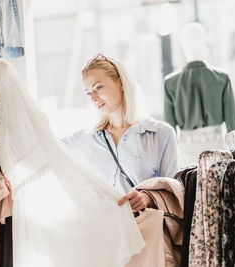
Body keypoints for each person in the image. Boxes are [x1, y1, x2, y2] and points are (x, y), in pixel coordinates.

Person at [62, 54, 179, 212]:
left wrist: (148, 198)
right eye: (89, 93)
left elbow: (175, 192)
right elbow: (43, 146)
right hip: (103, 231)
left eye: (98, 87)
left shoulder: (160, 133)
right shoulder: (84, 139)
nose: (94, 98)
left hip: (143, 231)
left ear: (120, 83)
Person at [164, 23, 235, 167]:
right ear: (204, 43)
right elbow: (233, 123)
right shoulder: (221, 77)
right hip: (216, 145)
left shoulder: (170, 83)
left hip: (187, 150)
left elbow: (170, 128)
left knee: (191, 187)